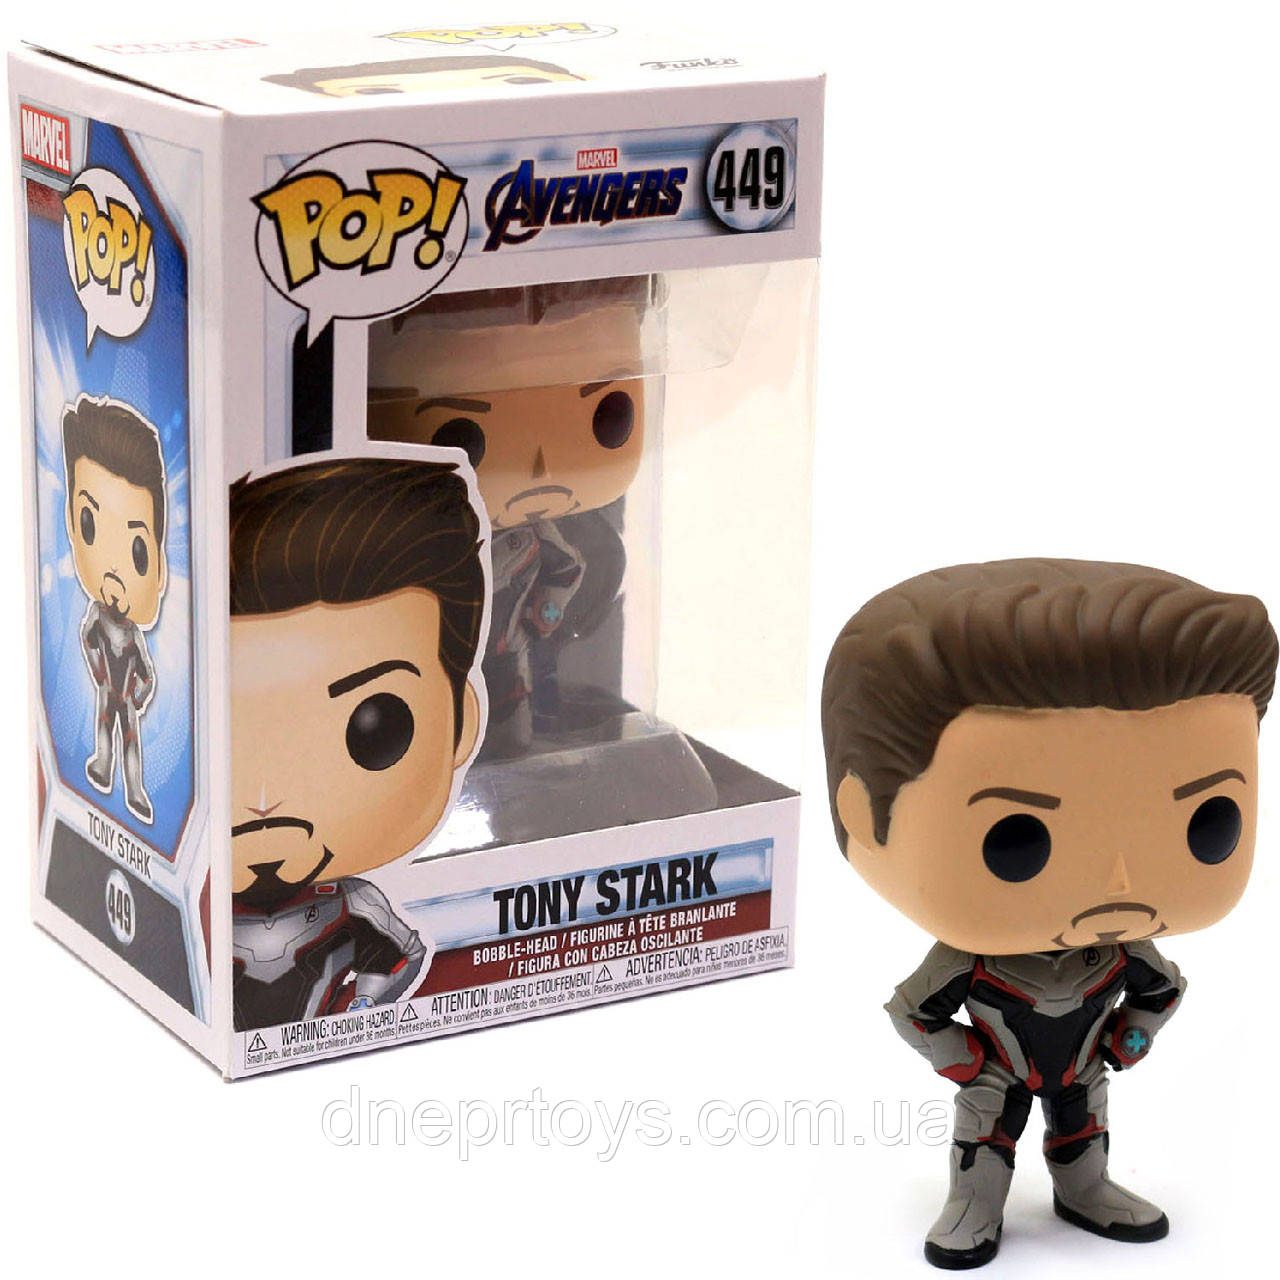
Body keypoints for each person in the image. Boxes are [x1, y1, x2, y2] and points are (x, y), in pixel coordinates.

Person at [821, 558, 1278, 1268]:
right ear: (862, 815)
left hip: (1083, 1069)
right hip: (996, 1074)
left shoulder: (1124, 951)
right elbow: (912, 1010)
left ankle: (1086, 1189)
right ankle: (974, 1206)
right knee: (984, 1143)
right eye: (1017, 839)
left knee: (1084, 1134)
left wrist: (1133, 1034)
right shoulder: (968, 958)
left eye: (1208, 823)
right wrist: (959, 1057)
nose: (1118, 880)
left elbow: (1164, 989)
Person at [228, 456, 487, 1032]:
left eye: (374, 728)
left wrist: (363, 1008)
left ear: (461, 724)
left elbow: (402, 958)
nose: (265, 802)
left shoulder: (356, 905)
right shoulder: (197, 903)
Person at [368, 277, 657, 754]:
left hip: (505, 648)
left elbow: (567, 567)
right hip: (422, 657)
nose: (542, 468)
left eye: (608, 416)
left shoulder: (534, 535)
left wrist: (549, 611)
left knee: (508, 731)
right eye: (461, 437)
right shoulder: (419, 544)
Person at [63, 395, 168, 824]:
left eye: (138, 552)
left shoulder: (134, 635)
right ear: (72, 522)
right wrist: (100, 675)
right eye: (89, 525)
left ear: (159, 568)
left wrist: (137, 696)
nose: (113, 573)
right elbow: (88, 640)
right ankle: (103, 769)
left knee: (130, 741)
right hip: (110, 691)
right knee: (105, 731)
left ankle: (136, 790)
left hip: (123, 696)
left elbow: (148, 673)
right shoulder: (97, 618)